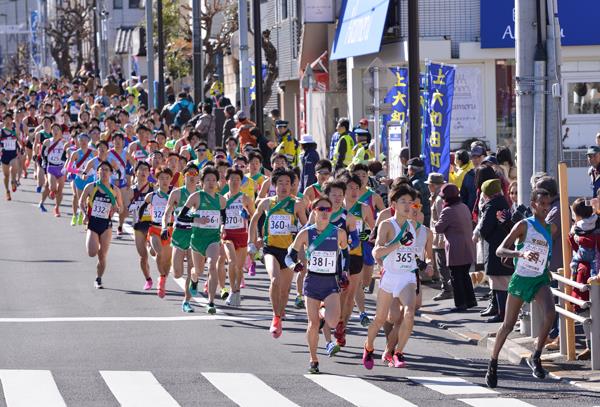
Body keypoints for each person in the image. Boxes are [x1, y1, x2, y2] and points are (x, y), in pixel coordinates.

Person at [486, 188, 558, 388]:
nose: (545, 207)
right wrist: (520, 254)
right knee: (508, 325)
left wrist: (546, 266)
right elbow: (500, 250)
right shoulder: (523, 225)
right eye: (541, 204)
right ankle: (493, 362)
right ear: (533, 204)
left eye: (548, 204)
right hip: (521, 278)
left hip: (539, 278)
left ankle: (536, 356)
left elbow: (548, 253)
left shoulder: (552, 229)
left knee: (550, 314)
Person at [285, 195, 349, 374]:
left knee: (333, 321)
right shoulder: (306, 233)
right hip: (312, 281)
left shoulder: (339, 233)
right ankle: (313, 359)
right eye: (321, 209)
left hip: (330, 282)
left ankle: (323, 314)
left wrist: (344, 272)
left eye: (328, 210)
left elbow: (346, 255)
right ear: (314, 210)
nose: (325, 213)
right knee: (313, 324)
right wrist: (294, 265)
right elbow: (289, 255)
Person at [362, 184, 419, 369]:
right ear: (394, 204)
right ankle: (369, 347)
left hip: (407, 275)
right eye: (403, 202)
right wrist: (396, 245)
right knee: (380, 319)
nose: (407, 206)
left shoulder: (413, 225)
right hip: (390, 276)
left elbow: (412, 251)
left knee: (410, 313)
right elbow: (376, 252)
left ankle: (398, 353)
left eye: (410, 202)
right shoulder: (387, 224)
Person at [248, 168, 307, 338]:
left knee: (285, 290)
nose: (284, 186)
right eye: (280, 183)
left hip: (289, 252)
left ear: (292, 186)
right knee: (275, 279)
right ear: (274, 185)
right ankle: (275, 317)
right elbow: (254, 220)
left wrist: (306, 246)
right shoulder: (267, 203)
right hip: (270, 249)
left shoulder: (296, 204)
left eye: (287, 183)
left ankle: (280, 315)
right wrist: (253, 241)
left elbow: (306, 226)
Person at [178, 166, 227, 314]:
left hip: (213, 238)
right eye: (208, 180)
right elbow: (181, 216)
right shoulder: (196, 197)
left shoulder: (222, 200)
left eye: (213, 180)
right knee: (197, 271)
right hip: (197, 238)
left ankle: (211, 302)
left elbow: (224, 218)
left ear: (217, 182)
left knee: (212, 265)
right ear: (202, 182)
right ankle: (194, 280)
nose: (211, 183)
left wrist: (223, 226)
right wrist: (196, 217)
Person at [79, 161, 123, 289]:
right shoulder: (91, 187)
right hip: (92, 223)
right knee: (92, 253)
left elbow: (121, 208)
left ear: (110, 173)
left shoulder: (115, 190)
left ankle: (98, 279)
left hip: (106, 225)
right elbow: (81, 202)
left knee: (102, 255)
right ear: (97, 172)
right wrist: (84, 214)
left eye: (106, 170)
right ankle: (95, 244)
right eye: (101, 170)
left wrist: (117, 208)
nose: (104, 172)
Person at [434, 183, 477, 311]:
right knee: (464, 275)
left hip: (455, 248)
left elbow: (438, 228)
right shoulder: (463, 206)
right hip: (467, 246)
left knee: (456, 277)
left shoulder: (447, 210)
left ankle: (460, 304)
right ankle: (470, 300)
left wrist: (435, 220)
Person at [475, 179, 513, 323]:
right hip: (503, 246)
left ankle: (502, 314)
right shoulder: (504, 202)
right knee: (499, 282)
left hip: (494, 248)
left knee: (499, 282)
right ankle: (498, 309)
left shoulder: (491, 206)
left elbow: (484, 229)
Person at [163, 163, 199, 312]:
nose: (191, 177)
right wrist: (165, 226)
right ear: (183, 177)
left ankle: (186, 301)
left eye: (194, 174)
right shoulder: (177, 193)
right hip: (179, 234)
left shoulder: (200, 195)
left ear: (198, 177)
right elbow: (167, 212)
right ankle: (190, 280)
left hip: (194, 235)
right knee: (177, 273)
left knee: (192, 268)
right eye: (188, 174)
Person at [222, 167, 255, 307]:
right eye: (232, 179)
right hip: (228, 235)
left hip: (242, 234)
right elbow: (218, 217)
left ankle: (236, 292)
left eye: (237, 180)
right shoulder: (222, 199)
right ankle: (232, 290)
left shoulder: (245, 198)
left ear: (241, 182)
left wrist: (247, 215)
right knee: (232, 262)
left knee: (239, 267)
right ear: (227, 181)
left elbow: (254, 217)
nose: (235, 182)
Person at [139, 167, 173, 299]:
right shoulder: (151, 196)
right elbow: (142, 208)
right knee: (159, 253)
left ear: (170, 180)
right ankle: (161, 281)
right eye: (162, 178)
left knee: (167, 261)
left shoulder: (174, 196)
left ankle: (163, 278)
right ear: (157, 180)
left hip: (169, 230)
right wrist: (140, 220)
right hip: (154, 229)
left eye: (167, 178)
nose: (164, 181)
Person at [128, 161, 155, 289]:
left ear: (149, 173)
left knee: (153, 252)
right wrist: (130, 207)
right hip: (138, 225)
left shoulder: (154, 188)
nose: (143, 172)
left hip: (152, 224)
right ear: (136, 172)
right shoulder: (131, 190)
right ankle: (148, 279)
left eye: (146, 169)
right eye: (141, 169)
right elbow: (124, 207)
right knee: (143, 256)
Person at [427, 173, 453, 301]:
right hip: (440, 236)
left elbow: (440, 219)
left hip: (440, 237)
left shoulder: (439, 199)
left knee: (442, 264)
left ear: (433, 185)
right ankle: (448, 288)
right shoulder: (437, 197)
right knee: (444, 264)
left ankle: (447, 289)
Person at [0, 113, 21, 200]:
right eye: (6, 119)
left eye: (9, 119)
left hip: (13, 154)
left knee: (14, 167)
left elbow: (19, 140)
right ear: (3, 121)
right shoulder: (1, 131)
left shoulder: (14, 130)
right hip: (4, 155)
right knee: (6, 175)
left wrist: (21, 148)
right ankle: (7, 191)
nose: (8, 121)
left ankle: (13, 181)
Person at [406, 157, 431, 227]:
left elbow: (415, 204)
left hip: (418, 216)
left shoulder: (414, 184)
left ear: (411, 170)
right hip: (429, 215)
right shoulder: (427, 180)